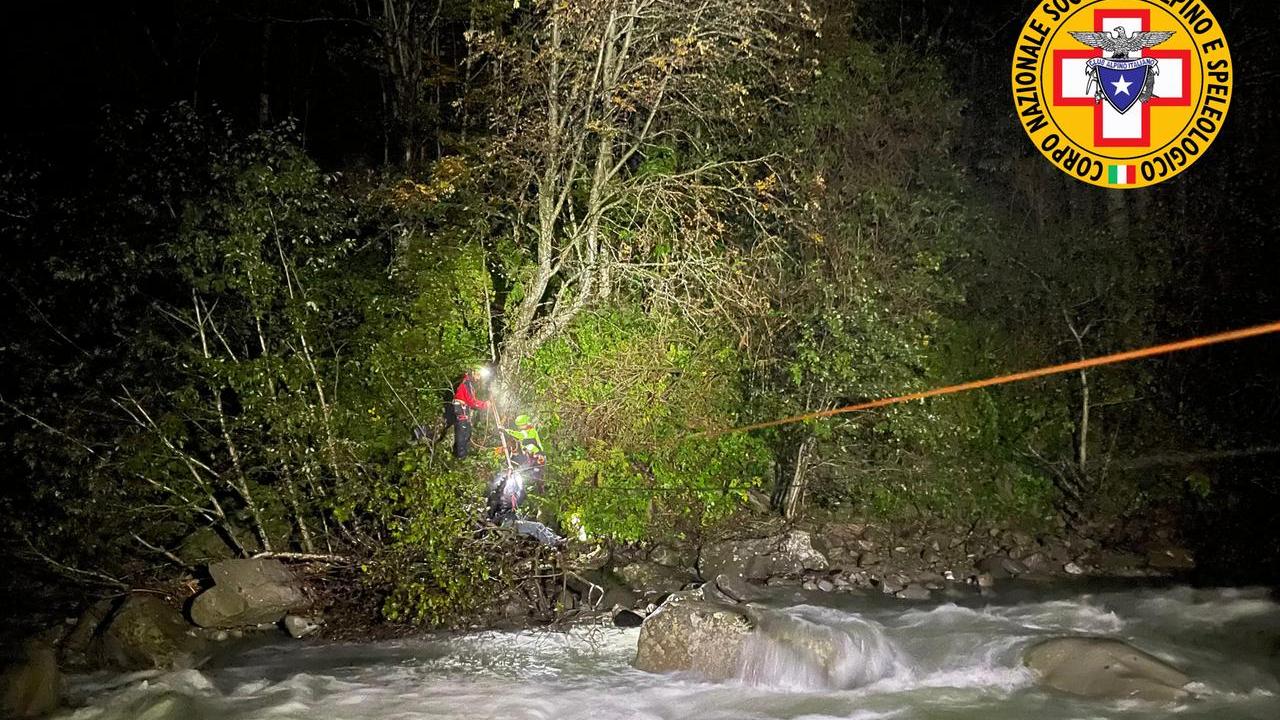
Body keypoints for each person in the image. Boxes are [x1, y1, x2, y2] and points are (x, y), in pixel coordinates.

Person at [446, 366, 491, 458]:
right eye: (478, 375)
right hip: (460, 408)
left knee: (467, 431)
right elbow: (471, 401)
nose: (478, 378)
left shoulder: (467, 382)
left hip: (461, 408)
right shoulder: (466, 382)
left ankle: (462, 453)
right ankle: (460, 455)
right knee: (463, 431)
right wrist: (484, 405)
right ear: (473, 373)